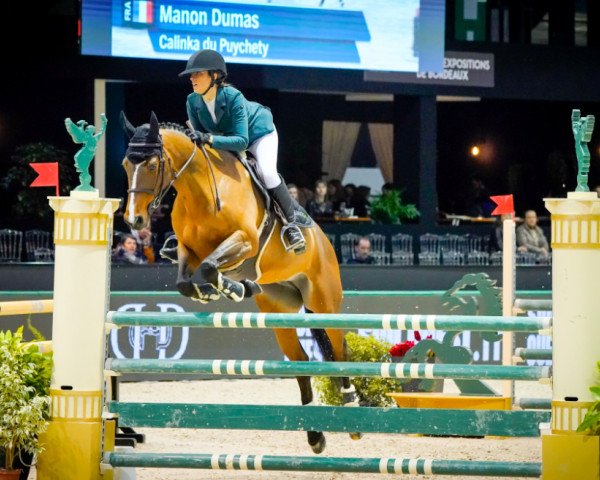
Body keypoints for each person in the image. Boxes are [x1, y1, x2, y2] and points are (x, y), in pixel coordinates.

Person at [180, 49, 305, 252]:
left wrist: (209, 138)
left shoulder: (233, 97)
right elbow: (201, 138)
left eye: (198, 73)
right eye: (191, 75)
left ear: (214, 76)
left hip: (257, 135)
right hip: (225, 140)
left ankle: (292, 225)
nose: (192, 78)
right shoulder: (192, 101)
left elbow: (241, 141)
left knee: (267, 172)